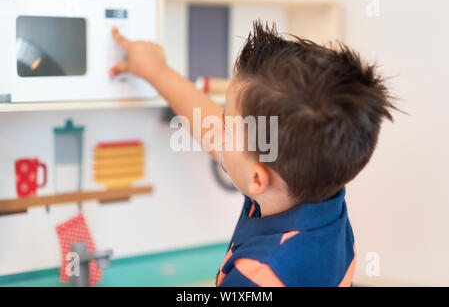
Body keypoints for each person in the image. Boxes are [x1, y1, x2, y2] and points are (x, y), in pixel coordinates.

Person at [109, 21, 396, 286]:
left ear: (257, 178)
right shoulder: (318, 194)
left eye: (226, 124)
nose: (217, 127)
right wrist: (156, 71)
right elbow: (213, 131)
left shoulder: (257, 277)